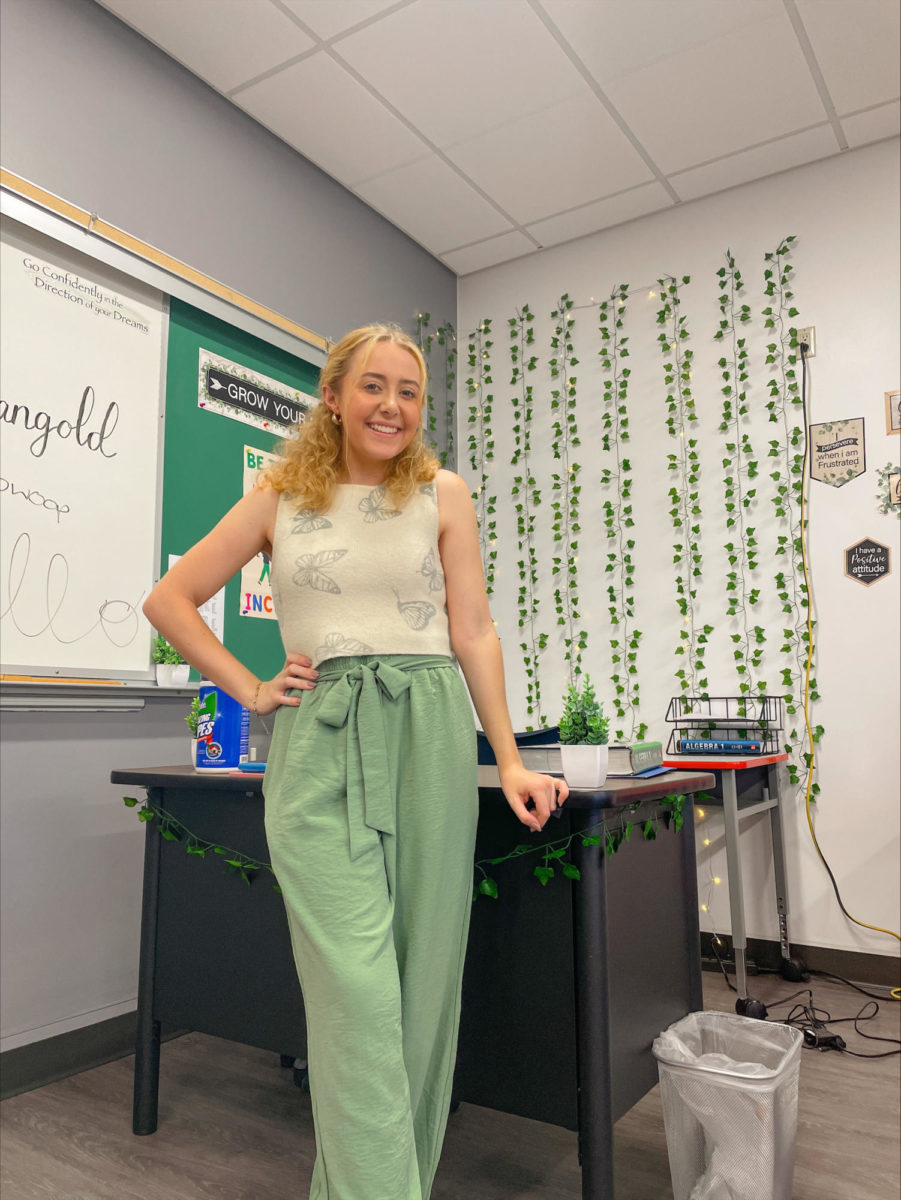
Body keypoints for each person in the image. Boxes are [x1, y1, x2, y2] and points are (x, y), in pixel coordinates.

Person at [143, 323, 568, 1199]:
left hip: (430, 734)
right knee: (358, 996)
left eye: (408, 391)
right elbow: (170, 598)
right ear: (333, 397)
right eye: (373, 386)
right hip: (321, 738)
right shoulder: (278, 496)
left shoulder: (443, 495)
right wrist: (253, 689)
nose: (392, 406)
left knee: (422, 987)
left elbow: (473, 631)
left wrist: (512, 760)